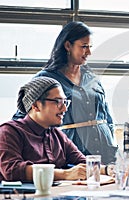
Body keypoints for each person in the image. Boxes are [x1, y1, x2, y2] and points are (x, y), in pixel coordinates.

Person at [13, 21, 117, 165]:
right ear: (68, 46)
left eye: (90, 47)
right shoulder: (45, 78)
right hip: (71, 154)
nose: (89, 52)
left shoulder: (92, 78)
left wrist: (112, 142)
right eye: (84, 47)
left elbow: (106, 115)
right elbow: (22, 118)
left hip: (105, 152)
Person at [0, 77, 111, 181]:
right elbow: (11, 170)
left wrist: (107, 170)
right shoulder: (9, 132)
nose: (64, 109)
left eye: (65, 102)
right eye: (57, 102)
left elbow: (81, 161)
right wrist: (66, 174)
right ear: (35, 106)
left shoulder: (57, 134)